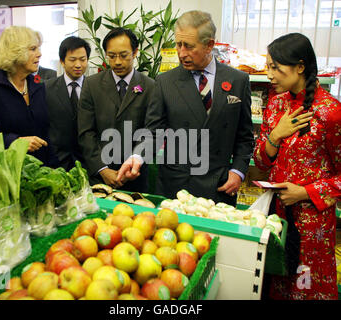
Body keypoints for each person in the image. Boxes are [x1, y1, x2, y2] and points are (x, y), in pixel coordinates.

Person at [117, 11, 254, 204]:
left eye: (189, 46)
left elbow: (245, 136)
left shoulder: (238, 80)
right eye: (178, 44)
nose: (181, 53)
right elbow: (153, 132)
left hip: (219, 185)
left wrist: (238, 171)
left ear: (209, 45)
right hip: (177, 186)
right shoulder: (166, 82)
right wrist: (137, 157)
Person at [253, 33, 341, 300]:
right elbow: (260, 160)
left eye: (276, 68)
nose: (270, 75)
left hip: (312, 225)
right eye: (268, 67)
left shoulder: (330, 112)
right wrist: (274, 136)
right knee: (272, 283)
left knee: (306, 287)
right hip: (276, 217)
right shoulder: (276, 103)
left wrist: (304, 193)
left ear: (300, 67)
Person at [78, 27, 155, 191]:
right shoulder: (92, 85)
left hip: (136, 176)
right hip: (99, 177)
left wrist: (135, 162)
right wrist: (102, 169)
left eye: (124, 55)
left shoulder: (149, 86)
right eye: (111, 56)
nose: (117, 62)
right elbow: (86, 132)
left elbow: (150, 131)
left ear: (135, 53)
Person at [0, 26, 59, 167]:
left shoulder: (37, 85)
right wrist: (16, 142)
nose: (39, 54)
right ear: (15, 52)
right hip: (7, 172)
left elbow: (45, 133)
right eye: (33, 49)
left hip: (40, 172)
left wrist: (57, 170)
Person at [45, 36, 91, 171]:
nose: (78, 65)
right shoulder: (47, 89)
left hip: (88, 162)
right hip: (56, 163)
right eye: (72, 60)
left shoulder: (95, 88)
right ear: (62, 61)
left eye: (83, 60)